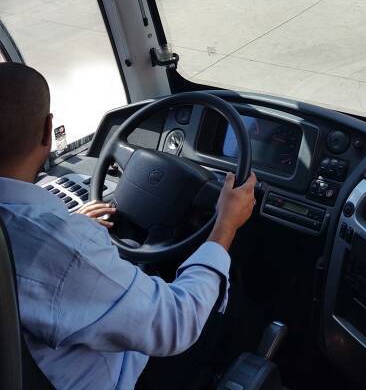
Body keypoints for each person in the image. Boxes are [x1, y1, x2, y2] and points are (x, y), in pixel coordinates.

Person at [0, 63, 257, 390]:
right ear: (48, 131)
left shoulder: (46, 239)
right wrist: (226, 225)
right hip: (130, 375)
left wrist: (73, 226)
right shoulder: (59, 251)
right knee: (225, 282)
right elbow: (177, 322)